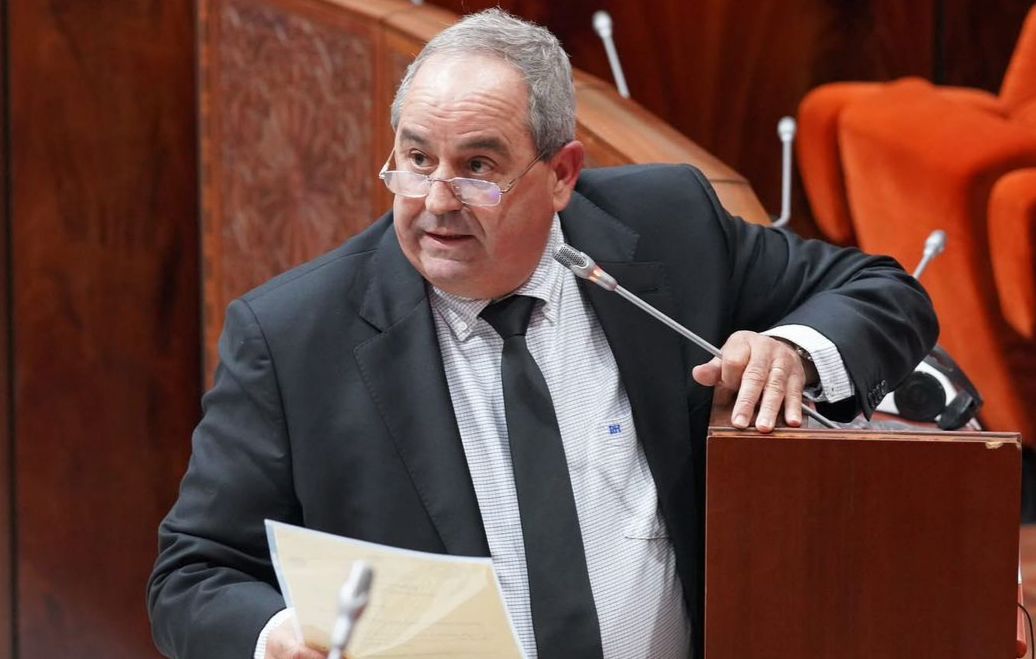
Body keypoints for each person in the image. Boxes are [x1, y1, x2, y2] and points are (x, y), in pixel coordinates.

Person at [147, 8, 937, 659]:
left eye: (478, 167)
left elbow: (882, 292)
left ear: (561, 174)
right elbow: (193, 572)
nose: (437, 200)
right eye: (416, 159)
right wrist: (275, 633)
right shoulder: (293, 337)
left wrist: (793, 351)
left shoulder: (668, 228)